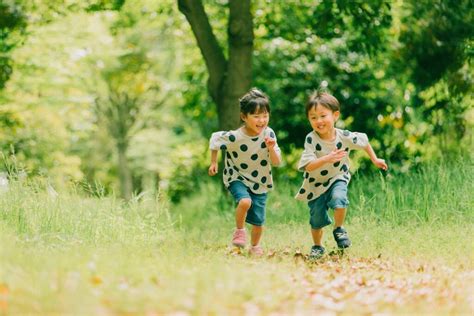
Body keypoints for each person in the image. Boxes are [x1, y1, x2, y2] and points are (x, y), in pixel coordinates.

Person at [295, 91, 388, 260]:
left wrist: (375, 159)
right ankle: (317, 246)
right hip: (315, 183)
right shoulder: (311, 139)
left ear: (335, 115)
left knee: (339, 199)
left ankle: (339, 228)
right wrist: (327, 158)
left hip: (338, 176)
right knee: (316, 219)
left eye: (323, 115)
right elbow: (308, 166)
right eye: (313, 117)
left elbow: (364, 141)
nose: (319, 121)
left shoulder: (343, 136)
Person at [208, 88, 282, 256]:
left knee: (258, 222)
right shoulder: (236, 136)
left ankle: (255, 246)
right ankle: (239, 230)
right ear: (244, 117)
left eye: (265, 115)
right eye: (256, 116)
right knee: (245, 202)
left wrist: (271, 148)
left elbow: (277, 162)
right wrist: (213, 162)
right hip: (236, 176)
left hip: (260, 180)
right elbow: (215, 139)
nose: (261, 120)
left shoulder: (269, 134)